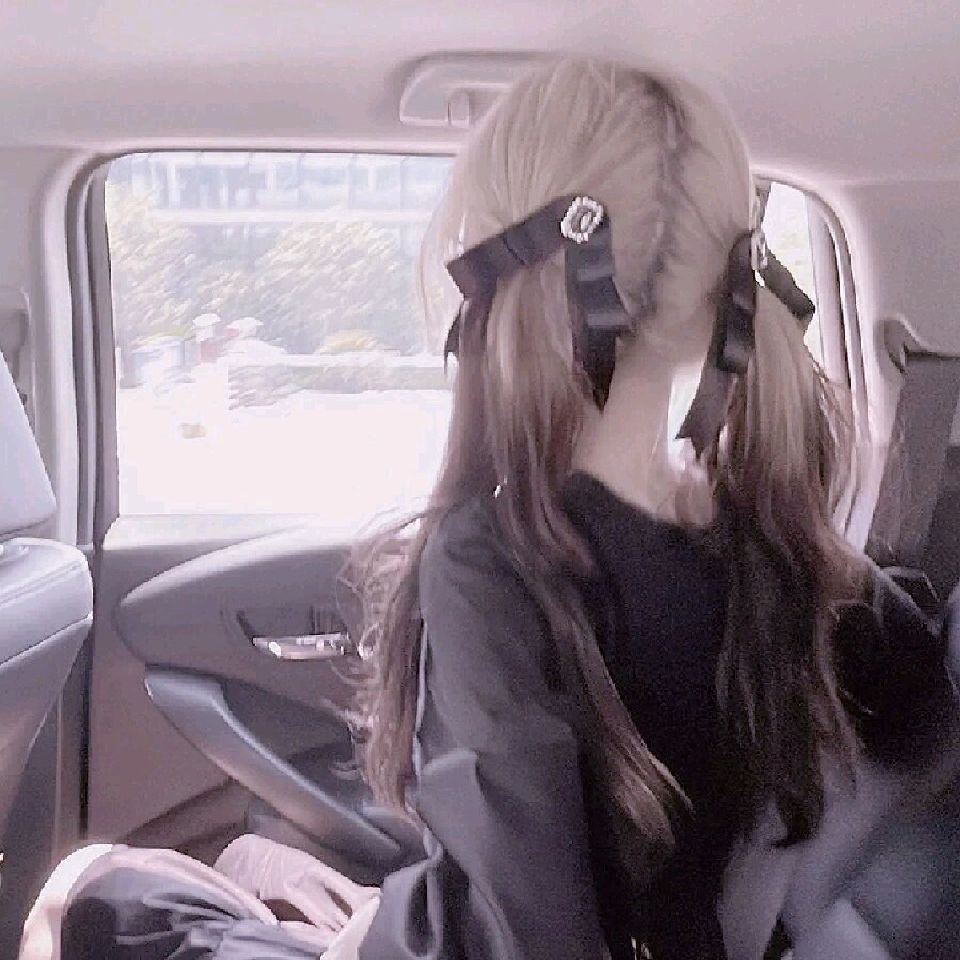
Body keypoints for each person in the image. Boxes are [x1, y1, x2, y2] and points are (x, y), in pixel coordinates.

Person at [25, 57, 955, 960]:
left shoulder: (491, 563)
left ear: (506, 279)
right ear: (726, 291)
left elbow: (525, 928)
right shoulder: (796, 556)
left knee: (92, 890)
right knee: (244, 863)